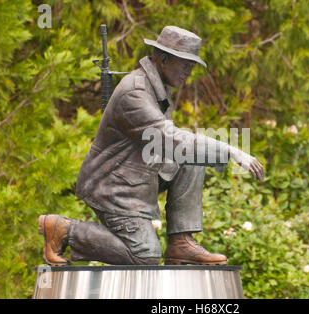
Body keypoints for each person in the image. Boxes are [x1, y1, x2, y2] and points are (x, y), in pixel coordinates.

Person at [38, 26, 264, 266]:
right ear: (164, 59)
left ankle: (181, 243)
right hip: (113, 186)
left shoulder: (156, 86)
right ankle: (63, 230)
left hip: (137, 172)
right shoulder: (135, 93)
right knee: (144, 255)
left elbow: (171, 144)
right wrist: (231, 150)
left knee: (193, 157)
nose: (189, 72)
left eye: (191, 65)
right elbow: (170, 139)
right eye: (185, 64)